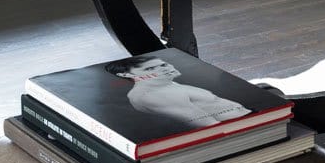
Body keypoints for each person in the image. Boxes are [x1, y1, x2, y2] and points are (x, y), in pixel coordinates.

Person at [105, 56, 248, 128]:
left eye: (164, 64)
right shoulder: (151, 95)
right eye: (150, 69)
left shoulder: (166, 84)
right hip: (245, 128)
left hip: (248, 120)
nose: (166, 69)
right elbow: (209, 126)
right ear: (125, 75)